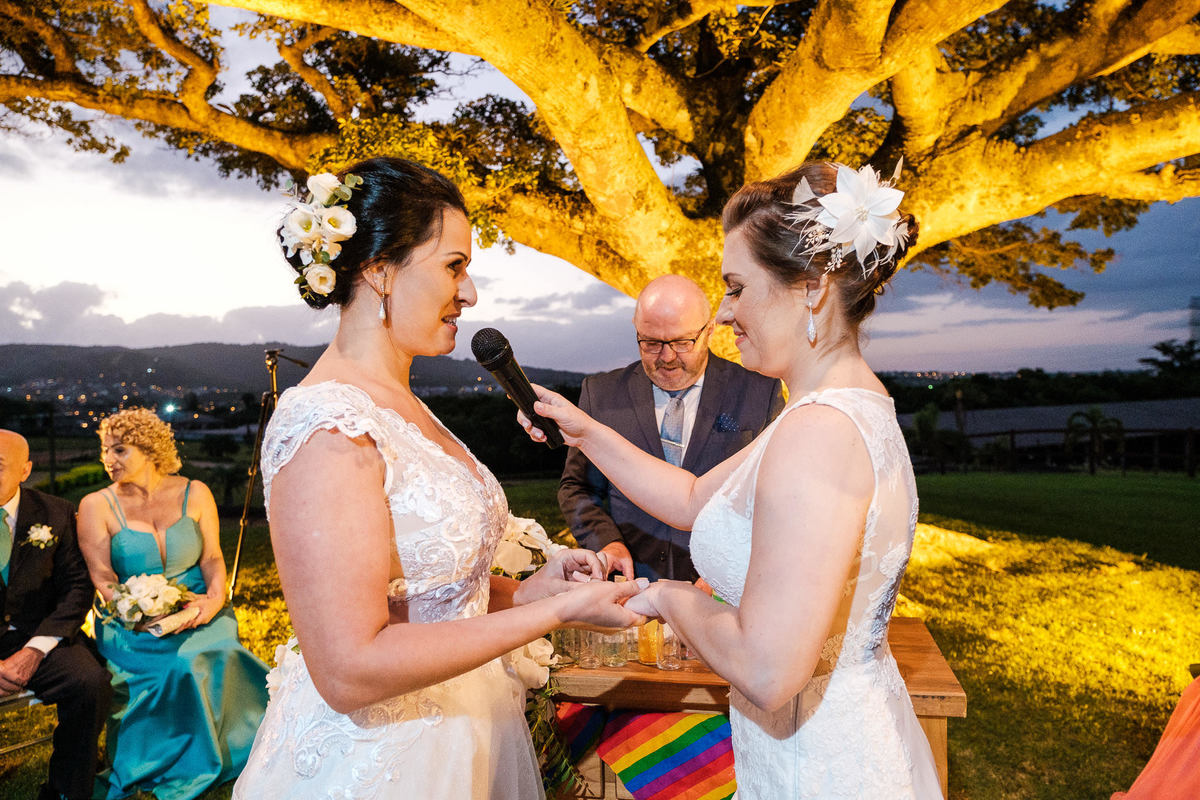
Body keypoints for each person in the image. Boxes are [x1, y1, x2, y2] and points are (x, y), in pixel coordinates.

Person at [522, 161, 943, 797]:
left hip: (818, 763)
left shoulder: (818, 430)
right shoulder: (841, 404)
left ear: (812, 289)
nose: (722, 313)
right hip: (819, 743)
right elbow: (690, 500)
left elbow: (769, 669)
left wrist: (667, 599)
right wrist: (583, 431)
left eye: (737, 288)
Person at [232, 157, 644, 799]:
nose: (471, 293)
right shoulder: (327, 424)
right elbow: (350, 669)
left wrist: (534, 589)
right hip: (385, 758)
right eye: (454, 266)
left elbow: (433, 596)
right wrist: (559, 613)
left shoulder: (403, 401)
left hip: (469, 730)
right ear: (379, 270)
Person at [76, 408, 269, 800]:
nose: (108, 460)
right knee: (179, 662)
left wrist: (214, 601)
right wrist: (137, 608)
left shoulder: (195, 492)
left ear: (149, 450)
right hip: (129, 620)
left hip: (198, 604)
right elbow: (102, 577)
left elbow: (212, 557)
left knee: (209, 649)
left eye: (120, 450)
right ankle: (174, 760)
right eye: (105, 451)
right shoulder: (97, 505)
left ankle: (243, 741)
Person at [559, 274, 783, 582]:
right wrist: (607, 543)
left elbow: (774, 499)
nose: (666, 358)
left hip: (725, 591)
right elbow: (578, 488)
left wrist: (733, 566)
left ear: (709, 331)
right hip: (632, 587)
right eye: (650, 343)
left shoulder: (759, 393)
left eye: (681, 342)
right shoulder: (600, 395)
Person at [0, 430, 110, 800]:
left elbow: (78, 588)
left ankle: (66, 792)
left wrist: (34, 651)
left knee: (89, 682)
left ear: (25, 469)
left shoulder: (56, 513)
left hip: (39, 636)